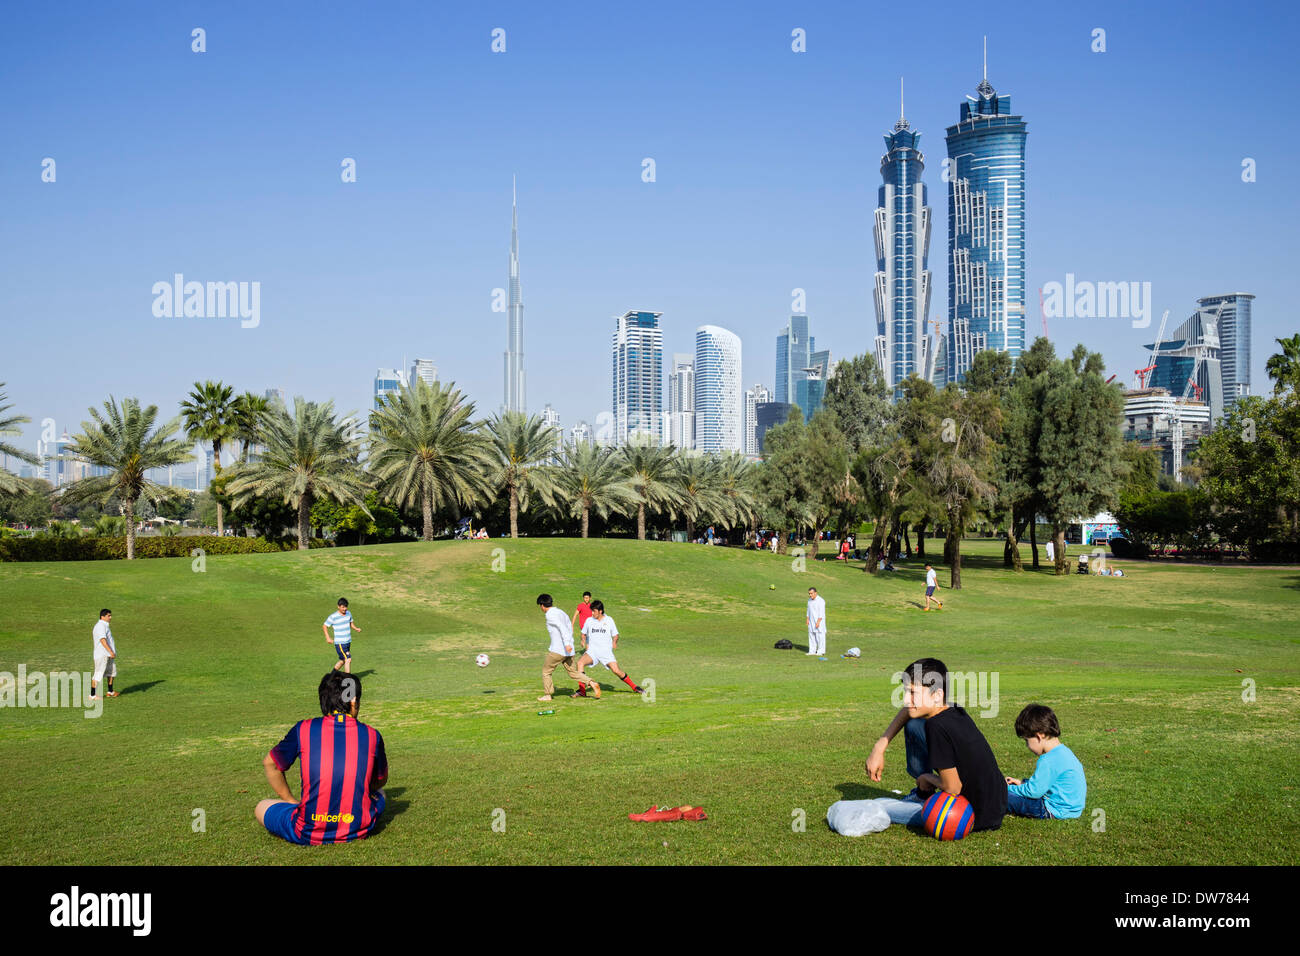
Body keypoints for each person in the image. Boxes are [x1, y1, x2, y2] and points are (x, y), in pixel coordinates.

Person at [863, 658, 1007, 831]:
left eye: (913, 693)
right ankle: (924, 794)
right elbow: (908, 711)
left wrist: (926, 778)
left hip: (969, 815)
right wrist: (880, 746)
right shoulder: (953, 709)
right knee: (914, 724)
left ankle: (923, 795)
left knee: (878, 806)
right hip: (996, 804)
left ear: (937, 694)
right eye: (906, 692)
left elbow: (953, 788)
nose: (907, 700)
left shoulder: (936, 726)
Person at [255, 671, 388, 845]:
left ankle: (297, 813)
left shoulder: (304, 729)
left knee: (261, 806)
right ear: (354, 701)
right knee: (382, 793)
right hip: (357, 828)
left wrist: (290, 800)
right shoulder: (372, 735)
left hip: (309, 831)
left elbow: (270, 764)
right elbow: (380, 780)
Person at [1004, 704, 1087, 819]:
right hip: (1072, 810)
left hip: (1053, 810)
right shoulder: (1064, 752)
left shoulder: (1048, 759)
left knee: (1004, 796)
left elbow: (1034, 792)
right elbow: (1046, 784)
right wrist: (1021, 783)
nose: (1027, 746)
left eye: (1027, 741)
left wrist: (1006, 788)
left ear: (1039, 736)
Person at [576, 600, 644, 697]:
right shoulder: (589, 620)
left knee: (616, 671)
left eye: (594, 611)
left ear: (600, 611)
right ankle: (582, 691)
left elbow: (615, 635)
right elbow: (583, 633)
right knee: (580, 663)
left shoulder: (609, 620)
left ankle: (634, 687)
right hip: (592, 652)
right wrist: (583, 641)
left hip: (606, 652)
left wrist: (614, 642)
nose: (592, 613)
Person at [537, 593, 589, 701]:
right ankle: (591, 682)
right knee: (573, 672)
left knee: (546, 671)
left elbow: (562, 628)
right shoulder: (561, 612)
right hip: (568, 651)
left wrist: (567, 644)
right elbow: (569, 627)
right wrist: (570, 645)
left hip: (558, 650)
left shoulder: (550, 615)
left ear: (542, 605)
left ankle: (547, 695)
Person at [323, 597, 360, 674]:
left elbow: (351, 623)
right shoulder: (333, 616)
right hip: (340, 643)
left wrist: (356, 628)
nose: (344, 609)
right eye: (343, 607)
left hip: (348, 641)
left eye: (346, 607)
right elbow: (324, 626)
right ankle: (347, 681)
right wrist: (328, 637)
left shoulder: (348, 613)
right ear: (338, 606)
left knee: (342, 661)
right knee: (348, 659)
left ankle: (331, 676)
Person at [91, 608, 118, 700]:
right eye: (108, 616)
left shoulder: (105, 626)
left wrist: (111, 653)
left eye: (110, 615)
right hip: (102, 655)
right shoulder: (100, 626)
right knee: (98, 674)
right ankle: (92, 695)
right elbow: (102, 640)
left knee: (111, 673)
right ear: (102, 616)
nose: (110, 617)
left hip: (108, 655)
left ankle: (110, 691)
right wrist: (110, 651)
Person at [806, 587, 826, 656]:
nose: (810, 595)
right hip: (811, 621)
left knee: (820, 636)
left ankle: (821, 651)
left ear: (815, 593)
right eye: (809, 593)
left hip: (819, 622)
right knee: (811, 636)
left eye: (811, 593)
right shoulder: (809, 600)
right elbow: (808, 610)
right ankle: (812, 651)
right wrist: (807, 619)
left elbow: (821, 613)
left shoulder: (821, 601)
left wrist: (818, 622)